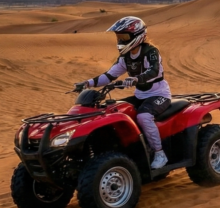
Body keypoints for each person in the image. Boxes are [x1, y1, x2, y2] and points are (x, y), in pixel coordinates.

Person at [74, 16, 172, 170]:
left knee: (144, 116)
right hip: (141, 96)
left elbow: (154, 71)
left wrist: (135, 79)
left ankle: (160, 154)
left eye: (124, 37)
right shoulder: (125, 58)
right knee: (116, 111)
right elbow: (109, 75)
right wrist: (87, 83)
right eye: (119, 37)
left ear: (137, 35)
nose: (120, 40)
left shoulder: (150, 52)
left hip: (159, 95)